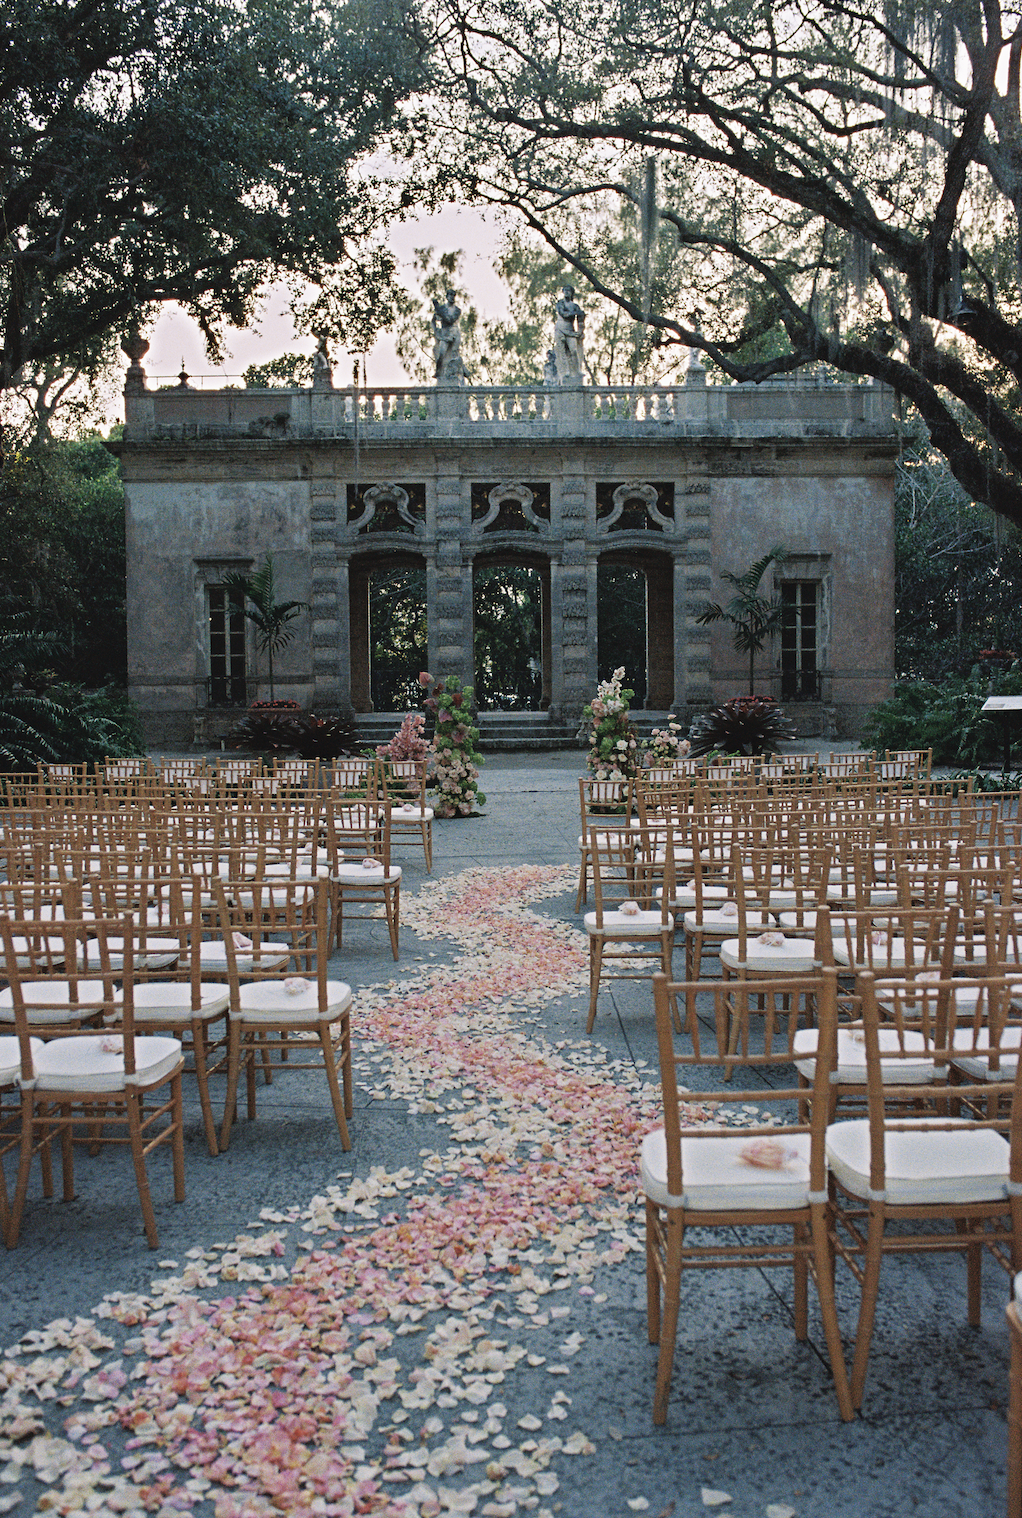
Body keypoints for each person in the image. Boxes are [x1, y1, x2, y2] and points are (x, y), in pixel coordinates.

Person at [553, 286, 587, 381]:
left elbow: (580, 320)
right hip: (560, 328)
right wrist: (576, 312)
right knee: (562, 351)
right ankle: (565, 371)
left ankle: (576, 370)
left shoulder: (575, 306)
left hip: (570, 330)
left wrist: (580, 331)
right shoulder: (560, 303)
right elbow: (564, 314)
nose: (567, 292)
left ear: (572, 293)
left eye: (569, 291)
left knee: (574, 350)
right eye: (565, 291)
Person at [432, 290, 462, 379]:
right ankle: (438, 371)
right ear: (447, 296)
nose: (452, 297)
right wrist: (435, 330)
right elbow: (433, 321)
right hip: (444, 333)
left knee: (455, 354)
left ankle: (454, 372)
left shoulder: (457, 310)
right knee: (441, 353)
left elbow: (450, 320)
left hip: (454, 332)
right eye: (450, 295)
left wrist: (439, 310)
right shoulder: (442, 308)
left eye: (454, 295)